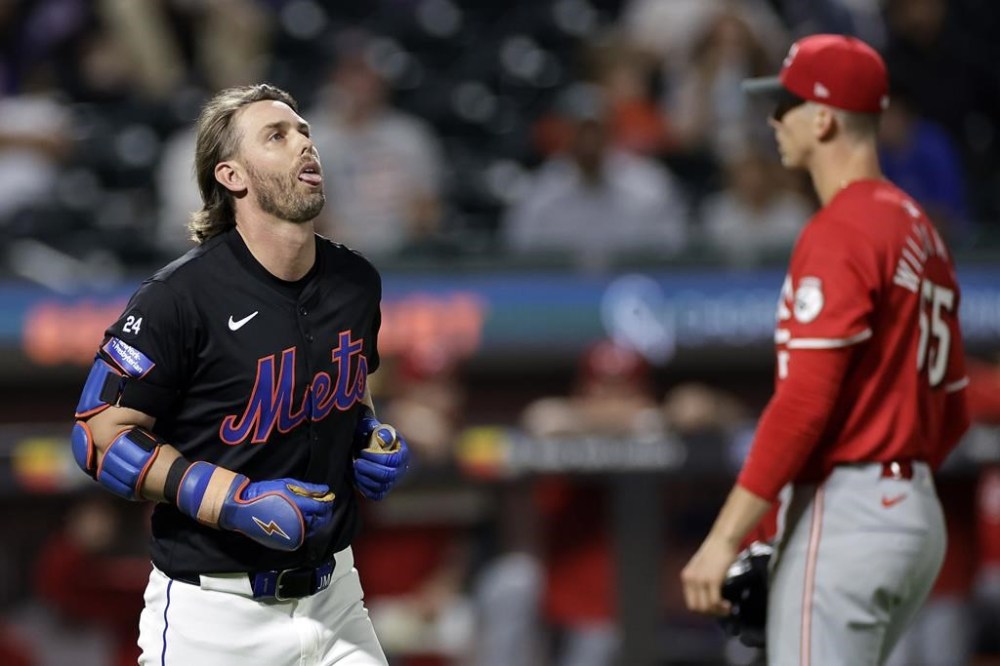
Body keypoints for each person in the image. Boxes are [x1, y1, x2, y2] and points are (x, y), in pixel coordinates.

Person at [68, 83, 411, 665]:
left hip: (336, 601)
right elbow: (97, 432)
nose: (305, 144)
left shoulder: (357, 281)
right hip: (215, 615)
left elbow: (352, 387)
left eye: (305, 131)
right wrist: (231, 499)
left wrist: (368, 435)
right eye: (277, 136)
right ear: (232, 176)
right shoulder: (177, 298)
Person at [680, 35, 971, 666]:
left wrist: (725, 537)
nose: (773, 120)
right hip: (913, 515)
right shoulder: (919, 228)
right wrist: (898, 484)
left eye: (785, 104)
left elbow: (805, 403)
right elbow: (952, 411)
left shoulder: (843, 228)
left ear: (824, 117)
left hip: (852, 512)